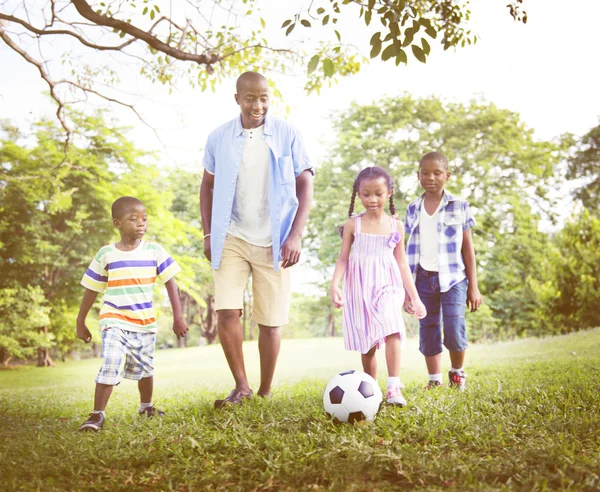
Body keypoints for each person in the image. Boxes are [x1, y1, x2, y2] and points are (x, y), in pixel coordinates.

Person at [200, 71, 314, 408]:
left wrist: (295, 234)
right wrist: (208, 232)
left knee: (270, 319)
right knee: (226, 311)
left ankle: (264, 391)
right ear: (237, 98)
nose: (258, 105)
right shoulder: (218, 137)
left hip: (274, 237)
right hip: (230, 233)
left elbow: (305, 183)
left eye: (263, 97)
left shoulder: (287, 133)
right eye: (250, 98)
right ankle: (242, 386)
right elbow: (206, 185)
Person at [76, 196, 188, 431]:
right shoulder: (106, 254)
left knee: (145, 368)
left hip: (145, 322)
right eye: (133, 219)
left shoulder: (154, 251)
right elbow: (91, 288)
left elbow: (170, 283)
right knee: (111, 361)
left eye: (144, 219)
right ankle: (97, 415)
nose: (141, 224)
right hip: (113, 319)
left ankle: (146, 406)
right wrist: (80, 320)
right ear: (117, 223)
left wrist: (178, 317)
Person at [330, 166, 426, 407]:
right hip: (359, 285)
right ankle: (370, 389)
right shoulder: (353, 225)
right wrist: (334, 285)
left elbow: (402, 263)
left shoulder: (396, 227)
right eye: (366, 194)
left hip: (388, 283)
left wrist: (414, 297)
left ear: (389, 193)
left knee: (393, 326)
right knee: (368, 342)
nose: (372, 199)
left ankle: (394, 385)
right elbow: (343, 258)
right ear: (358, 195)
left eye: (378, 193)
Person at [404, 152, 482, 391]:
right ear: (418, 176)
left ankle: (457, 373)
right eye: (425, 173)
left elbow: (468, 250)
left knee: (454, 328)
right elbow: (406, 250)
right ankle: (434, 379)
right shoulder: (412, 209)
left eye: (437, 173)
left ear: (446, 176)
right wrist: (408, 290)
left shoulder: (459, 206)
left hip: (455, 279)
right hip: (423, 279)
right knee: (428, 330)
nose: (431, 177)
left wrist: (474, 287)